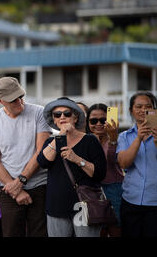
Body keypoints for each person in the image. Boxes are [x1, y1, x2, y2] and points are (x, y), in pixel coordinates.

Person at [0, 77, 51, 237]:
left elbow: (41, 152)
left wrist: (21, 181)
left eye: (21, 96)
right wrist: (16, 190)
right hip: (8, 190)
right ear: (0, 100)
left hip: (39, 185)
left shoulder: (39, 112)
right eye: (13, 100)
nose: (20, 102)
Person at [37, 97, 107, 237]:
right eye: (57, 114)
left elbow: (100, 173)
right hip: (57, 206)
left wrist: (77, 159)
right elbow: (43, 162)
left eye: (67, 113)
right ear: (54, 120)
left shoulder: (90, 140)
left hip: (85, 206)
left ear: (75, 118)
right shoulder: (51, 142)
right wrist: (61, 136)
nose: (62, 116)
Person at [116, 91, 157, 237]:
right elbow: (124, 163)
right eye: (138, 106)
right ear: (131, 111)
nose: (143, 110)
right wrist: (138, 138)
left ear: (154, 110)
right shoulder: (124, 136)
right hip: (131, 200)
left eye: (148, 106)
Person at [86, 103, 123, 237]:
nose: (99, 124)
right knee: (97, 230)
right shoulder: (84, 140)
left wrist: (113, 139)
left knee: (116, 228)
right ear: (87, 122)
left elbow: (113, 160)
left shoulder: (120, 138)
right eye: (93, 121)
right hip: (92, 190)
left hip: (114, 188)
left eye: (103, 120)